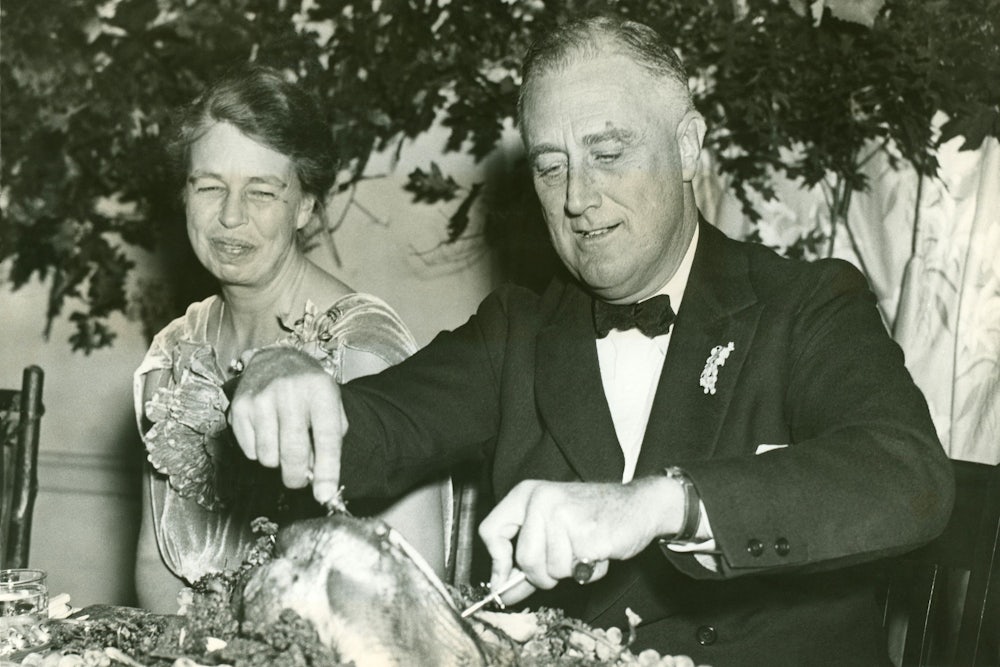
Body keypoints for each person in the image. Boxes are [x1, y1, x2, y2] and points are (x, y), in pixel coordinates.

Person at [228, 18, 954, 666]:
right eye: (551, 166)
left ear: (688, 146)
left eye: (608, 153)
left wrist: (659, 503)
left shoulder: (806, 304)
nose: (577, 196)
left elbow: (908, 475)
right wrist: (283, 369)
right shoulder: (518, 330)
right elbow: (378, 426)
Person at [132, 64, 450, 613]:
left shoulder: (363, 351)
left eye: (261, 191)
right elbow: (154, 566)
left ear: (304, 206)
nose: (230, 217)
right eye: (210, 186)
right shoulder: (172, 356)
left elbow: (410, 596)